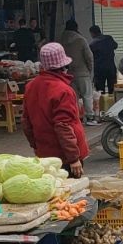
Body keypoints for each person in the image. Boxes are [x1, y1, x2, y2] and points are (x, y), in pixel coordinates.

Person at [21, 42, 88, 178]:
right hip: (64, 158)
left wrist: (36, 146)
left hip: (44, 154)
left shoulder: (31, 86)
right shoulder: (63, 90)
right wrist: (74, 158)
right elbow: (63, 126)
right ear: (63, 66)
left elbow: (26, 122)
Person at [60, 17, 95, 123]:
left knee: (73, 97)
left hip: (69, 73)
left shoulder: (61, 40)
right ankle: (89, 117)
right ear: (76, 27)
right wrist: (90, 69)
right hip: (83, 72)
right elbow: (89, 57)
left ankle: (75, 117)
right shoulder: (81, 39)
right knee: (87, 95)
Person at [88, 24, 118, 114]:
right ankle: (114, 110)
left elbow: (90, 57)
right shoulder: (109, 38)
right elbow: (115, 46)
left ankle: (102, 111)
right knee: (112, 91)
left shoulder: (92, 44)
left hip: (100, 70)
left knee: (100, 92)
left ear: (92, 33)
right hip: (110, 68)